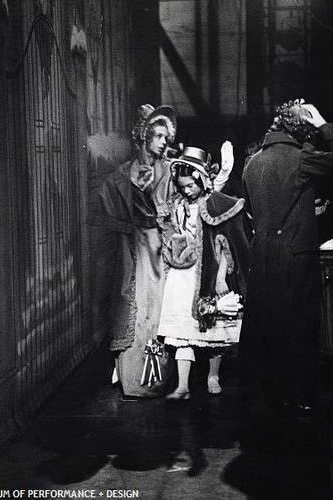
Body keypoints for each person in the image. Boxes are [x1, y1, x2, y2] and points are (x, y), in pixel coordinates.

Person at [87, 105, 234, 398]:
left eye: (166, 136)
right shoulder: (122, 174)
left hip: (166, 248)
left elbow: (199, 193)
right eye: (158, 135)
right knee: (133, 306)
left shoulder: (171, 170)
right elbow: (104, 204)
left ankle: (158, 378)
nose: (164, 142)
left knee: (162, 311)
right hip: (136, 248)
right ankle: (131, 374)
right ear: (142, 137)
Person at [239, 99, 333, 416]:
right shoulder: (300, 157)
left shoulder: (252, 163)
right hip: (295, 255)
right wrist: (324, 124)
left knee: (271, 326)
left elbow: (258, 211)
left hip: (262, 256)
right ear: (303, 129)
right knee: (299, 327)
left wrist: (303, 211)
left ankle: (275, 399)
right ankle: (299, 399)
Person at [157, 147, 251, 400]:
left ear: (201, 179)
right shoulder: (176, 203)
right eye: (182, 185)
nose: (186, 190)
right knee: (182, 331)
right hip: (181, 275)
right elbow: (170, 232)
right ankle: (183, 385)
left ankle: (213, 376)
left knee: (212, 330)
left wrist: (221, 276)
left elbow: (224, 243)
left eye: (190, 185)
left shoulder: (212, 204)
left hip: (207, 272)